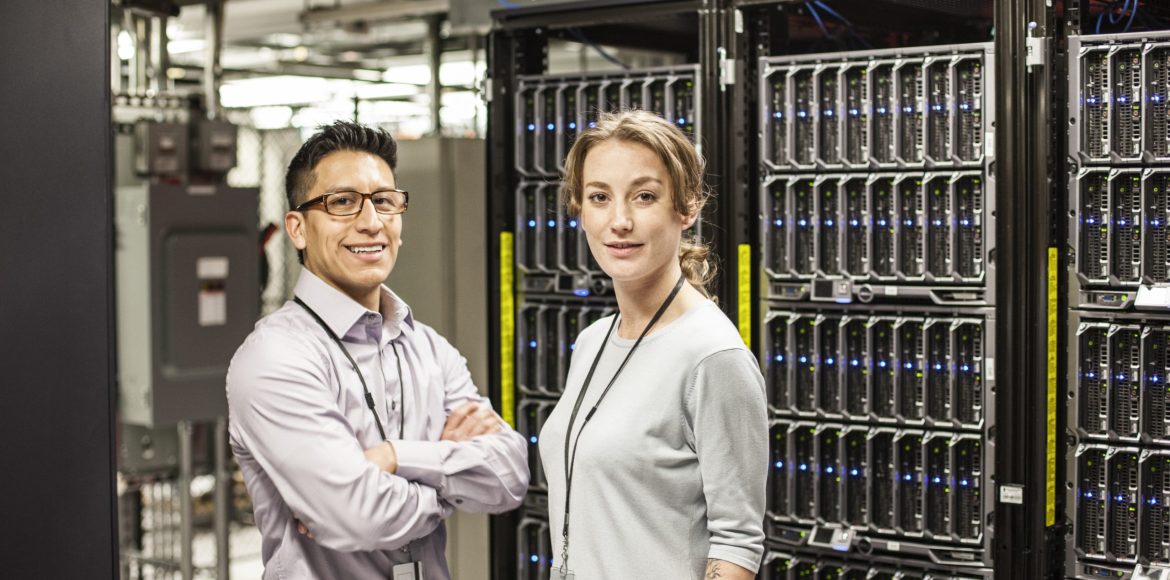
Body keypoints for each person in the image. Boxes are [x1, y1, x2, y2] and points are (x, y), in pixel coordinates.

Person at [226, 121, 528, 580]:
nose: (371, 222)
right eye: (342, 202)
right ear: (298, 228)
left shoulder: (429, 348)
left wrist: (394, 459)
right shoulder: (275, 358)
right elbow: (357, 515)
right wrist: (450, 480)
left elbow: (509, 477)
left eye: (385, 201)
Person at [538, 110, 768, 580]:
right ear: (579, 210)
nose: (619, 221)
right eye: (599, 197)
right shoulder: (592, 342)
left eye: (644, 196)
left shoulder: (712, 357)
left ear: (686, 207)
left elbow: (737, 542)